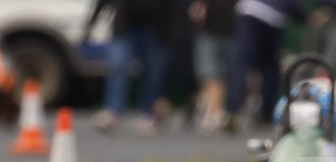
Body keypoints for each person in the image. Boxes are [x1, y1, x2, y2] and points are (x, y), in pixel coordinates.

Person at [226, 0, 336, 128]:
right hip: (274, 16)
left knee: (245, 63)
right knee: (268, 66)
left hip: (251, 11)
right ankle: (264, 113)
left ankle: (233, 111)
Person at [85, 0, 175, 135]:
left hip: (155, 25)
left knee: (153, 71)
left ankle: (149, 114)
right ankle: (113, 112)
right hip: (124, 23)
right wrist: (92, 22)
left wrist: (174, 29)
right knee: (118, 66)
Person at [190, 0, 236, 133]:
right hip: (228, 34)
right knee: (219, 75)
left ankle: (215, 113)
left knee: (211, 75)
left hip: (209, 34)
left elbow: (196, 12)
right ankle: (213, 111)